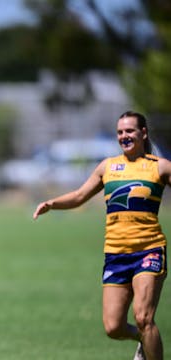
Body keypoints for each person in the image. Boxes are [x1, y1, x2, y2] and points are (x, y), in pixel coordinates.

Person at [33, 111, 169, 360]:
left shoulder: (159, 167)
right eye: (120, 132)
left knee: (143, 316)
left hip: (149, 250)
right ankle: (142, 339)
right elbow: (78, 196)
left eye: (129, 131)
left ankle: (146, 335)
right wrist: (52, 203)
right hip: (116, 254)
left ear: (143, 133)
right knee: (113, 327)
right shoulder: (108, 166)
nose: (124, 136)